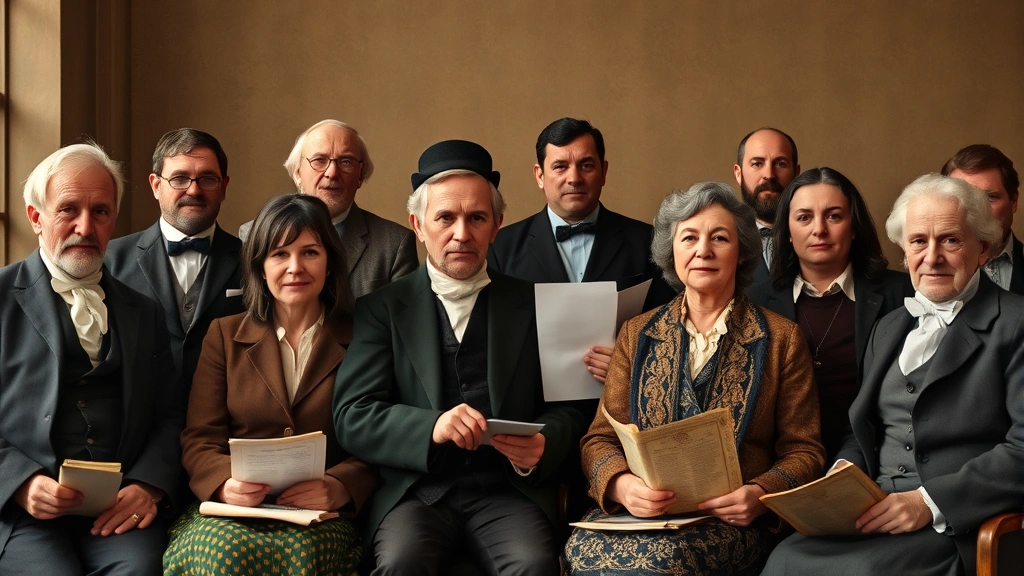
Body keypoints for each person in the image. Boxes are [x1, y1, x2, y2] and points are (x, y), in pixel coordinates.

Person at [333, 139, 582, 575]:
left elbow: (571, 408)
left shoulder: (539, 304)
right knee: (400, 564)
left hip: (508, 492)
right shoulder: (381, 309)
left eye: (477, 218)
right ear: (418, 223)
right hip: (416, 493)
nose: (461, 234)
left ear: (497, 224)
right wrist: (432, 425)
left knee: (534, 566)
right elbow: (353, 415)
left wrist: (545, 443)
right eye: (445, 217)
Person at [762, 174, 1024, 576]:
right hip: (873, 511)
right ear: (904, 251)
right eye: (919, 241)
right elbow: (862, 430)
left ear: (983, 249)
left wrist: (928, 502)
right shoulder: (889, 327)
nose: (932, 256)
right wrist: (840, 477)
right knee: (783, 558)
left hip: (957, 524)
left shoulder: (1017, 322)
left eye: (950, 240)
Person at [564, 182, 825, 575]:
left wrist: (760, 494)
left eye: (720, 238)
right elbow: (599, 438)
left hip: (732, 523)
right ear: (673, 251)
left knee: (666, 564)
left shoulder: (781, 339)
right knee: (578, 552)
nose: (703, 250)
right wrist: (621, 486)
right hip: (640, 516)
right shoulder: (637, 333)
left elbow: (806, 452)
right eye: (690, 237)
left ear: (741, 253)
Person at [164, 194, 374, 574]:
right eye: (279, 254)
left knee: (304, 558)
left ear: (330, 262)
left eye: (310, 252)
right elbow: (199, 438)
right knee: (222, 555)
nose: (295, 267)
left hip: (321, 514)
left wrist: (340, 486)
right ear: (260, 267)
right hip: (235, 512)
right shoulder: (224, 335)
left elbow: (380, 437)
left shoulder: (365, 336)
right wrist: (224, 482)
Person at [0, 143, 183, 575]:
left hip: (118, 508)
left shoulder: (146, 310)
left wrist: (149, 486)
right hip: (21, 510)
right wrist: (20, 483)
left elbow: (171, 414)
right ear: (35, 217)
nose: (86, 226)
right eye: (68, 209)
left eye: (101, 211)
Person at [748, 167, 913, 459]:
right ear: (786, 231)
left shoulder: (903, 294)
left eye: (834, 216)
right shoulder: (754, 303)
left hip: (876, 461)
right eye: (804, 217)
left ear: (853, 227)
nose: (819, 229)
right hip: (780, 467)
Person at [106, 128, 244, 398]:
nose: (194, 189)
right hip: (139, 427)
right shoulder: (111, 261)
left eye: (207, 179)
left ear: (224, 186)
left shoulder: (252, 260)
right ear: (156, 186)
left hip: (224, 423)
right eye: (179, 178)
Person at [239, 119, 418, 300]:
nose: (332, 172)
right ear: (297, 172)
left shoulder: (394, 244)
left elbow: (400, 325)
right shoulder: (251, 235)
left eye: (346, 161)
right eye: (319, 160)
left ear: (361, 176)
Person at [941, 144, 1022, 293]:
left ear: (1014, 202)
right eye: (963, 198)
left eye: (990, 197)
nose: (976, 210)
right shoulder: (927, 269)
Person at [733, 127, 800, 284]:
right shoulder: (719, 240)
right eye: (757, 164)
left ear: (797, 174)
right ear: (738, 173)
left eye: (780, 164)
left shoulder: (819, 236)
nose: (769, 174)